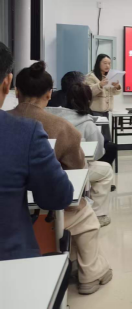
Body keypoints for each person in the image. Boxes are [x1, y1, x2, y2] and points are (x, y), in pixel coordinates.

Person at [10, 62, 112, 295]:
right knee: (83, 212)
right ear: (49, 94)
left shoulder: (6, 121)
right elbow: (78, 171)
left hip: (10, 211)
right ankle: (90, 274)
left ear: (16, 92)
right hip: (42, 213)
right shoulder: (64, 128)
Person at [0, 43, 74, 261]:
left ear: (16, 90)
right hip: (11, 267)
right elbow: (58, 197)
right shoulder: (25, 132)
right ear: (7, 83)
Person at [46, 82, 115, 227]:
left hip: (45, 171)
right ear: (88, 100)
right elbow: (98, 153)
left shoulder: (48, 116)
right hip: (73, 171)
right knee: (106, 170)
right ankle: (98, 214)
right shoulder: (87, 123)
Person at [85, 54, 122, 141]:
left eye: (109, 63)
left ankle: (106, 149)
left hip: (105, 111)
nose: (107, 66)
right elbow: (88, 92)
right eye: (105, 63)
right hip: (94, 112)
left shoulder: (108, 77)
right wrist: (100, 85)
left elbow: (113, 92)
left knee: (105, 137)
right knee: (97, 137)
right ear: (98, 63)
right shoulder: (91, 77)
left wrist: (117, 87)